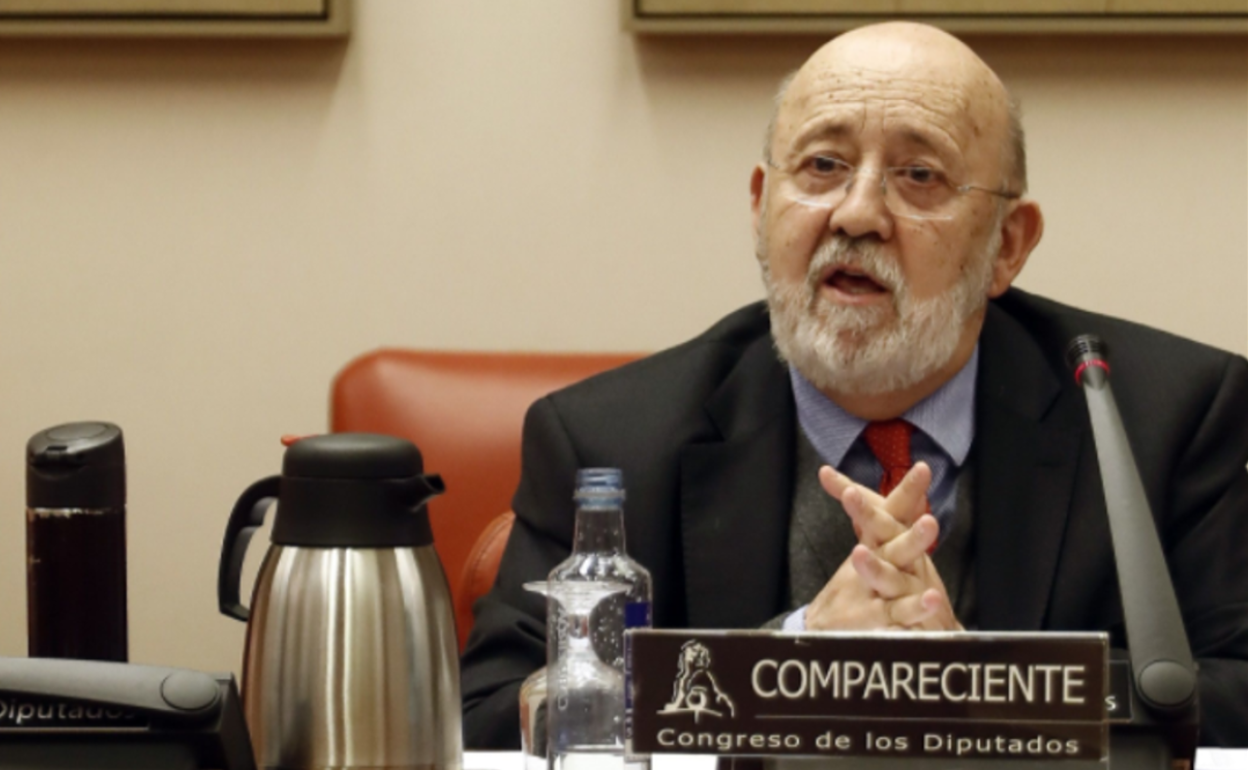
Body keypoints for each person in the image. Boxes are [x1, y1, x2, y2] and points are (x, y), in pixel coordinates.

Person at [460, 21, 1248, 747]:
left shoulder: (1165, 417)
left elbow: (1238, 689)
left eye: (919, 175)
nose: (858, 213)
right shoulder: (611, 441)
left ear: (1008, 245)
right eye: (823, 166)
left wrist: (982, 688)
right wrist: (789, 655)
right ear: (762, 209)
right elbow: (491, 716)